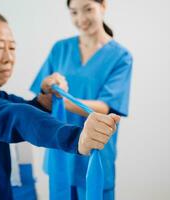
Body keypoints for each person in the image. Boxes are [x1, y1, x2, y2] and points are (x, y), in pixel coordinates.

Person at [0, 10, 121, 200]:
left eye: (12, 48)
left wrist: (46, 98)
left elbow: (27, 108)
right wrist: (77, 138)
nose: (8, 58)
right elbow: (17, 116)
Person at [30, 0, 133, 199]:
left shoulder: (121, 57)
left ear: (103, 6)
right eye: (74, 12)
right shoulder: (60, 48)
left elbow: (105, 107)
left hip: (95, 152)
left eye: (88, 9)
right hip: (60, 150)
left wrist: (63, 101)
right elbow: (41, 98)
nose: (81, 19)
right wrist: (46, 87)